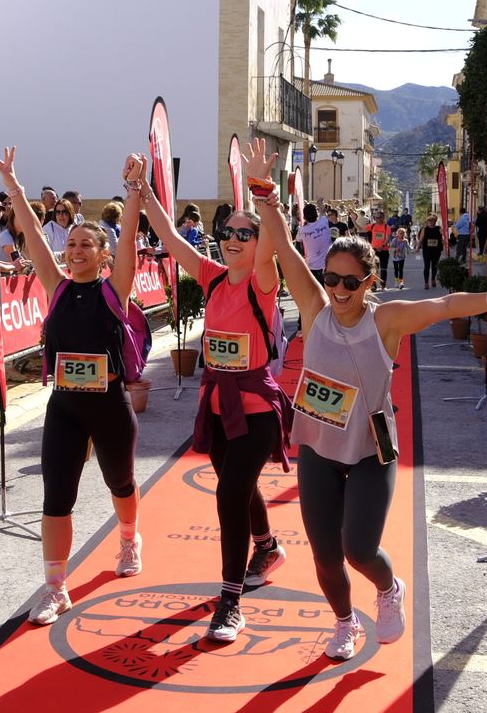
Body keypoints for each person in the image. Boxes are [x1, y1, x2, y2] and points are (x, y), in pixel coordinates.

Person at [247, 137, 487, 660]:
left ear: (369, 281)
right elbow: (283, 243)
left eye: (349, 280)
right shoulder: (314, 308)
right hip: (318, 446)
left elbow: (447, 303)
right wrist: (262, 192)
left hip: (370, 449)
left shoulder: (385, 320)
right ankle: (344, 621)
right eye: (331, 278)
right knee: (323, 556)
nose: (337, 287)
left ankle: (389, 589)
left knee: (357, 548)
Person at [140, 154, 292, 645]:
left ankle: (229, 602)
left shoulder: (261, 281)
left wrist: (264, 192)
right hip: (218, 407)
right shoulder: (211, 278)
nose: (233, 238)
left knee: (229, 495)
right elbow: (169, 240)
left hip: (256, 408)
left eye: (245, 233)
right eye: (228, 230)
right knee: (238, 486)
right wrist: (144, 193)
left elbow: (276, 241)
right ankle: (267, 547)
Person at [0, 148, 146, 626]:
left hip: (109, 404)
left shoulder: (112, 288)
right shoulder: (55, 285)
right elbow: (35, 234)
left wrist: (134, 190)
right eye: (72, 243)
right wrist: (15, 187)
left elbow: (132, 246)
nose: (76, 250)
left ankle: (128, 538)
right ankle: (56, 588)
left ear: (102, 254)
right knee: (56, 497)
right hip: (64, 406)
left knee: (120, 481)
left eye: (87, 245)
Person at [299, 203, 333, 283]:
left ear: (304, 217)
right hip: (327, 265)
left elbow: (297, 242)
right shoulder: (324, 221)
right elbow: (323, 211)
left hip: (311, 266)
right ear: (316, 215)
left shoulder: (302, 230)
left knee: (313, 292)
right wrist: (320, 202)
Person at [366, 209, 392, 290]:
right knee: (374, 268)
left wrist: (382, 245)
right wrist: (354, 221)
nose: (377, 219)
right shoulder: (372, 226)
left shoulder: (386, 227)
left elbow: (387, 238)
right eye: (376, 218)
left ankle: (383, 284)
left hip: (384, 250)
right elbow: (361, 229)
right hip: (374, 250)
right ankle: (373, 285)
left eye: (379, 217)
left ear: (383, 218)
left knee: (383, 268)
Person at [419, 214, 444, 289]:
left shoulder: (438, 228)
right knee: (426, 266)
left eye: (432, 221)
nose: (431, 222)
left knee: (434, 266)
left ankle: (433, 278)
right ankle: (426, 283)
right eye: (429, 221)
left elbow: (443, 236)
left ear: (435, 222)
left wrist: (444, 240)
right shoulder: (425, 229)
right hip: (427, 250)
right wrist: (418, 246)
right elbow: (421, 239)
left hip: (436, 250)